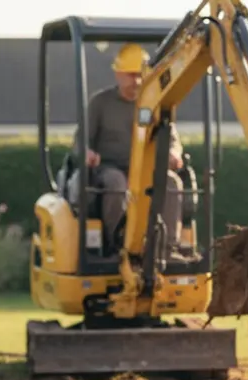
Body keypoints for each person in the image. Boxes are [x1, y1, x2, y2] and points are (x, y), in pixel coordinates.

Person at [69, 43, 184, 255]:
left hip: (145, 170)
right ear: (118, 74)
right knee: (117, 183)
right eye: (131, 75)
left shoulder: (156, 104)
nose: (137, 81)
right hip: (109, 169)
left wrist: (174, 154)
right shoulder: (100, 103)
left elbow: (173, 138)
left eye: (141, 75)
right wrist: (86, 153)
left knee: (171, 182)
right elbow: (80, 141)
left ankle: (167, 248)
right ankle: (118, 244)